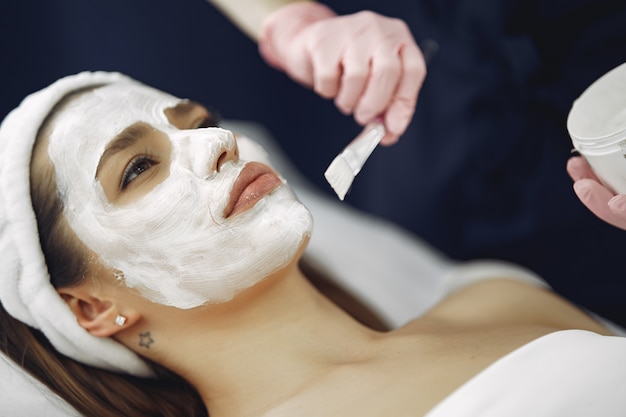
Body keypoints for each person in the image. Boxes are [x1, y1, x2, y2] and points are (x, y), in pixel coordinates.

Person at [1, 72, 626, 417]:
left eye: (198, 123)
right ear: (90, 308)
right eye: (138, 168)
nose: (216, 143)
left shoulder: (499, 299)